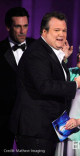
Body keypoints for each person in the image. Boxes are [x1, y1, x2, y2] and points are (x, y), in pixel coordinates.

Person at [9, 11, 80, 156]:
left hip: (47, 129)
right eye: (56, 30)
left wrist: (63, 59)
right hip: (35, 131)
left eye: (64, 30)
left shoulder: (49, 51)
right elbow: (44, 86)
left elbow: (52, 74)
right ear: (44, 32)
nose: (62, 34)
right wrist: (75, 85)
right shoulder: (37, 53)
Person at [0, 7, 35, 155]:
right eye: (18, 26)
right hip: (3, 118)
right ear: (8, 27)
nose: (22, 31)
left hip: (31, 118)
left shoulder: (38, 47)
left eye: (25, 26)